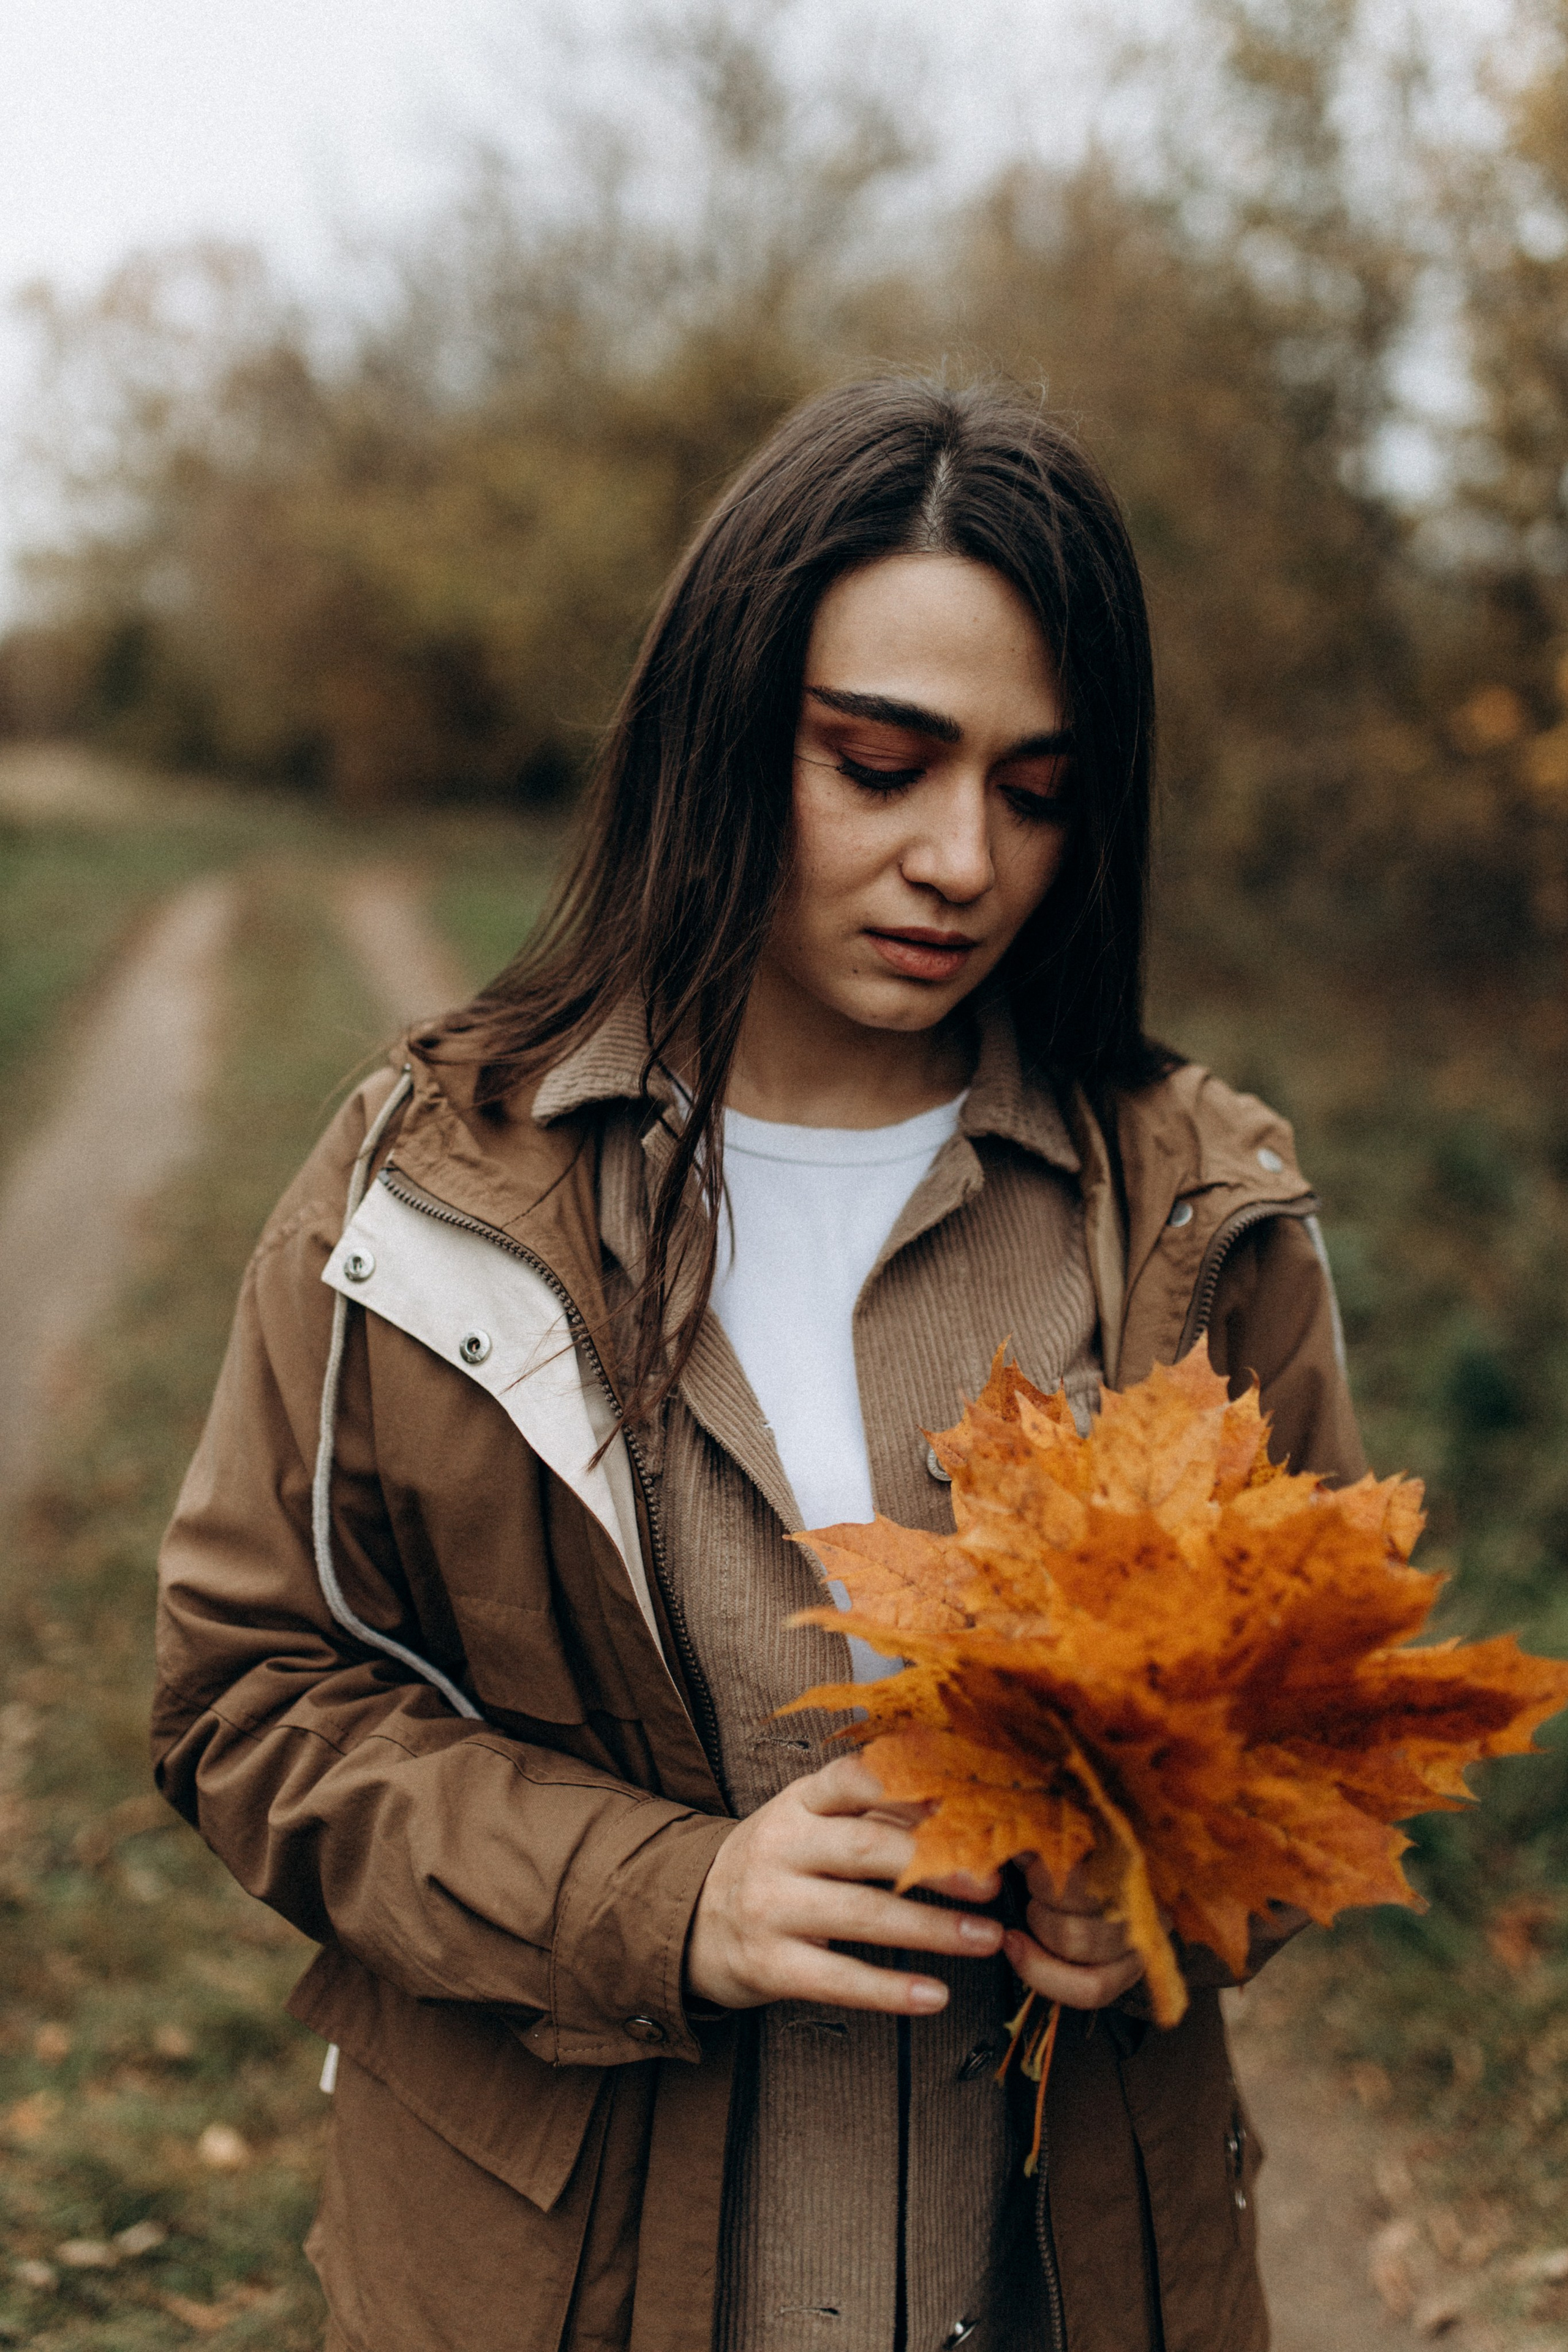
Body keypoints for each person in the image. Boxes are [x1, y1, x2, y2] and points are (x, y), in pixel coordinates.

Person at [153, 375, 1363, 2352]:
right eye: (879, 762)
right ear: (725, 736)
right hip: (561, 2287)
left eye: (1038, 789)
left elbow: (1312, 1727)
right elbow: (249, 1703)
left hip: (1075, 2287)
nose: (962, 857)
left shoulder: (1187, 1217)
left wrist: (1170, 1880)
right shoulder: (435, 1190)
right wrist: (662, 1900)